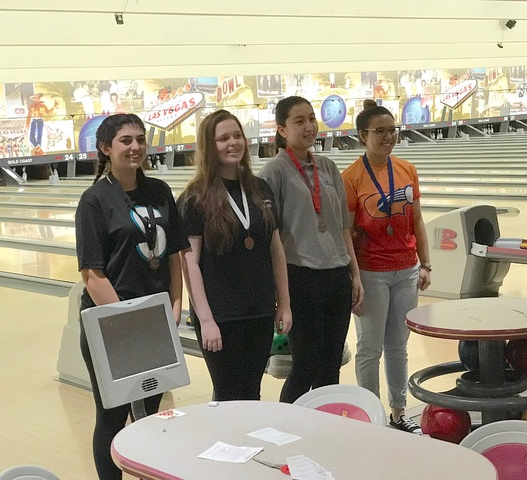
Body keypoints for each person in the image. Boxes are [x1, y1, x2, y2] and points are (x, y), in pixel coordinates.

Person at [75, 113, 187, 480]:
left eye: (140, 139)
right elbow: (92, 274)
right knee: (112, 415)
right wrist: (130, 322)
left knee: (152, 413)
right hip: (112, 326)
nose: (135, 146)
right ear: (106, 148)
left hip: (155, 320)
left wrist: (175, 305)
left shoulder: (160, 191)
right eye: (125, 140)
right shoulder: (94, 200)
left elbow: (174, 256)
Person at [177, 109, 291, 401]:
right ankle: (227, 448)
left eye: (237, 135)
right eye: (223, 138)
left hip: (260, 310)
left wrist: (284, 304)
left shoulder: (258, 188)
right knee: (228, 394)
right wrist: (206, 320)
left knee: (252, 391)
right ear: (208, 146)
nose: (233, 143)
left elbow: (275, 248)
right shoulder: (195, 197)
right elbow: (190, 263)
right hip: (221, 316)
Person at [259, 96, 363, 403]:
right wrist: (280, 295)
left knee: (331, 366)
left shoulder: (328, 167)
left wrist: (354, 274)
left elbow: (343, 226)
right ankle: (287, 428)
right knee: (304, 366)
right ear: (281, 129)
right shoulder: (273, 172)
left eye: (311, 119)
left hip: (336, 277)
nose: (308, 127)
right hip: (300, 278)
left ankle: (325, 431)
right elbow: (271, 237)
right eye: (299, 121)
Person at [341, 101, 432, 433]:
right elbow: (346, 233)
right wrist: (355, 278)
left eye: (392, 130)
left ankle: (397, 412)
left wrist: (426, 263)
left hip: (406, 269)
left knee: (398, 346)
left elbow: (418, 221)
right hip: (371, 272)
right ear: (363, 135)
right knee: (369, 348)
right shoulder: (351, 178)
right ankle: (371, 418)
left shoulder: (407, 169)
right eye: (380, 131)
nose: (388, 136)